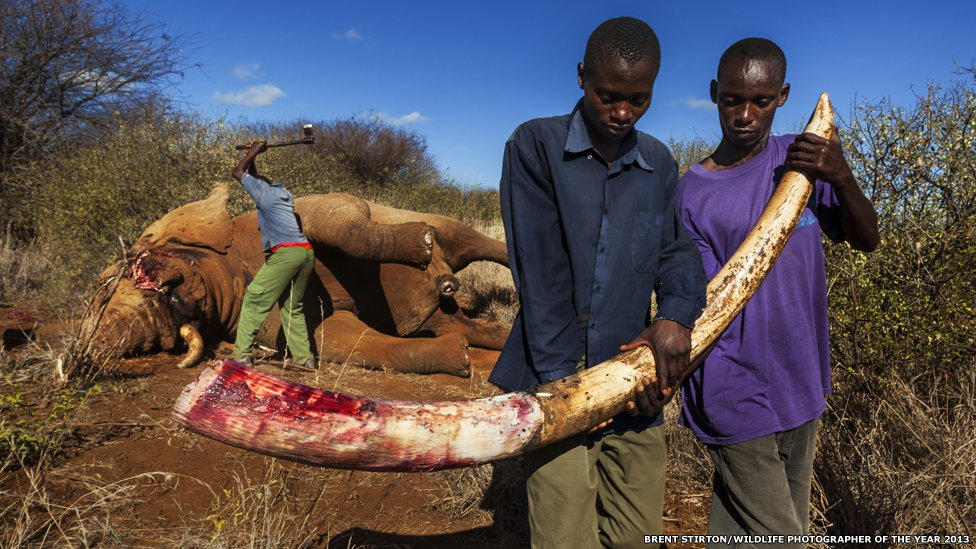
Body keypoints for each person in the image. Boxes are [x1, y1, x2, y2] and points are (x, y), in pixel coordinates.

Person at [489, 17, 707, 548]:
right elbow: (539, 277)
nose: (622, 112)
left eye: (639, 99)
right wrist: (571, 391)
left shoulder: (657, 161)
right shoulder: (534, 145)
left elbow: (676, 252)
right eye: (608, 95)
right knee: (565, 536)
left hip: (636, 385)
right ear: (582, 76)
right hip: (557, 379)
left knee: (636, 535)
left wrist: (676, 317)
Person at [675, 38, 879, 545]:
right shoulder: (691, 192)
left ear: (782, 96)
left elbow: (867, 239)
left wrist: (842, 175)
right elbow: (698, 299)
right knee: (782, 535)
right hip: (730, 388)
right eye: (731, 99)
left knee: (747, 528)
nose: (744, 114)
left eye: (761, 101)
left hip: (801, 381)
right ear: (713, 94)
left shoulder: (805, 160)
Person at [231, 140, 316, 370]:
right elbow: (255, 180)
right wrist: (253, 155)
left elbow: (237, 172)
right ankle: (305, 359)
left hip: (286, 254)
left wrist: (255, 151)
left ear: (258, 190)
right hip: (305, 254)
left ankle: (240, 356)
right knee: (292, 308)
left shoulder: (265, 196)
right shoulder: (281, 194)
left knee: (253, 300)